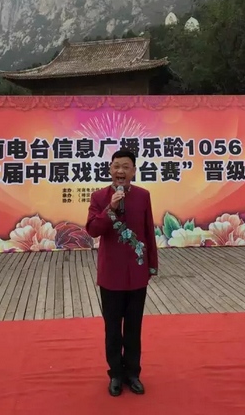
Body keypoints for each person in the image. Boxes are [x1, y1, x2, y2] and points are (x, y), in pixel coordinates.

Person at [86, 149, 158, 397]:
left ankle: (133, 374)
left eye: (126, 167)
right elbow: (93, 230)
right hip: (111, 275)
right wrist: (111, 208)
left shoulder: (143, 196)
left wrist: (152, 264)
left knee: (134, 328)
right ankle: (116, 374)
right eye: (116, 166)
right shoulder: (99, 197)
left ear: (134, 171)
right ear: (110, 169)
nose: (120, 171)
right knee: (113, 329)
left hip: (137, 273)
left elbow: (148, 232)